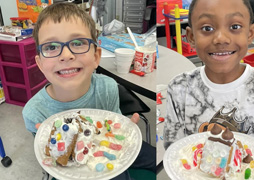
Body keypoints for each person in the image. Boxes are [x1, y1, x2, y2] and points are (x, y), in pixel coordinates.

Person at [22, 2, 155, 179]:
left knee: (157, 157)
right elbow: (52, 161)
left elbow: (113, 131)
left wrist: (123, 133)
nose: (66, 55)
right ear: (39, 64)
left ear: (95, 57)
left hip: (106, 145)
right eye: (51, 47)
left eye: (77, 43)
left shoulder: (107, 88)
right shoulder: (34, 112)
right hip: (74, 164)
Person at [163, 0, 254, 170]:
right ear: (191, 37)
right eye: (207, 28)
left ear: (250, 33)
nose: (221, 39)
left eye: (234, 27)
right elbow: (173, 149)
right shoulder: (179, 87)